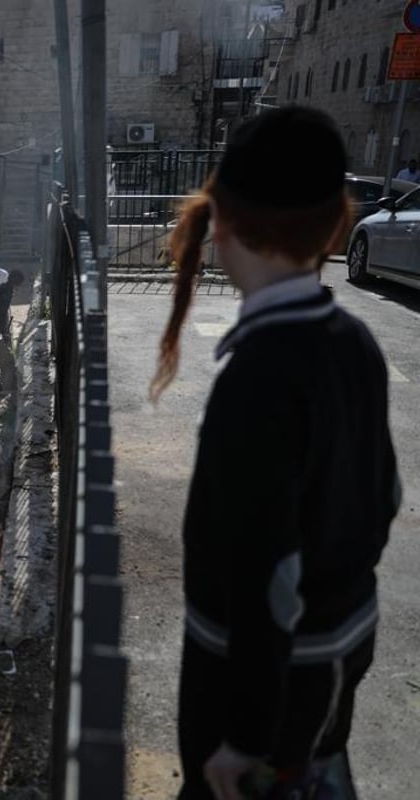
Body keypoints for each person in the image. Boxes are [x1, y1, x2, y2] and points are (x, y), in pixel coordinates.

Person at [149, 107, 400, 800]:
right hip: (338, 660)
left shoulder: (255, 381)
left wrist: (246, 740)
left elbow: (266, 578)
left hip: (255, 697)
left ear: (220, 227)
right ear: (337, 224)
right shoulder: (354, 341)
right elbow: (382, 504)